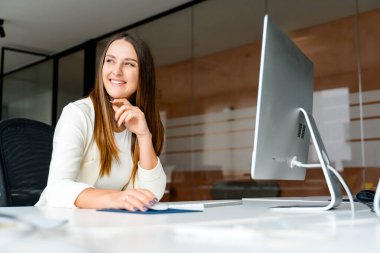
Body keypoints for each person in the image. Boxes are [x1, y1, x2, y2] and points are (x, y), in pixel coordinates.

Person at [36, 33, 166, 211]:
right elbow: (57, 190)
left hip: (105, 226)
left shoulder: (139, 123)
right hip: (59, 223)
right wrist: (116, 198)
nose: (116, 71)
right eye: (110, 61)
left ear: (144, 74)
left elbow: (151, 195)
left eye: (128, 64)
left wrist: (143, 136)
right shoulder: (78, 114)